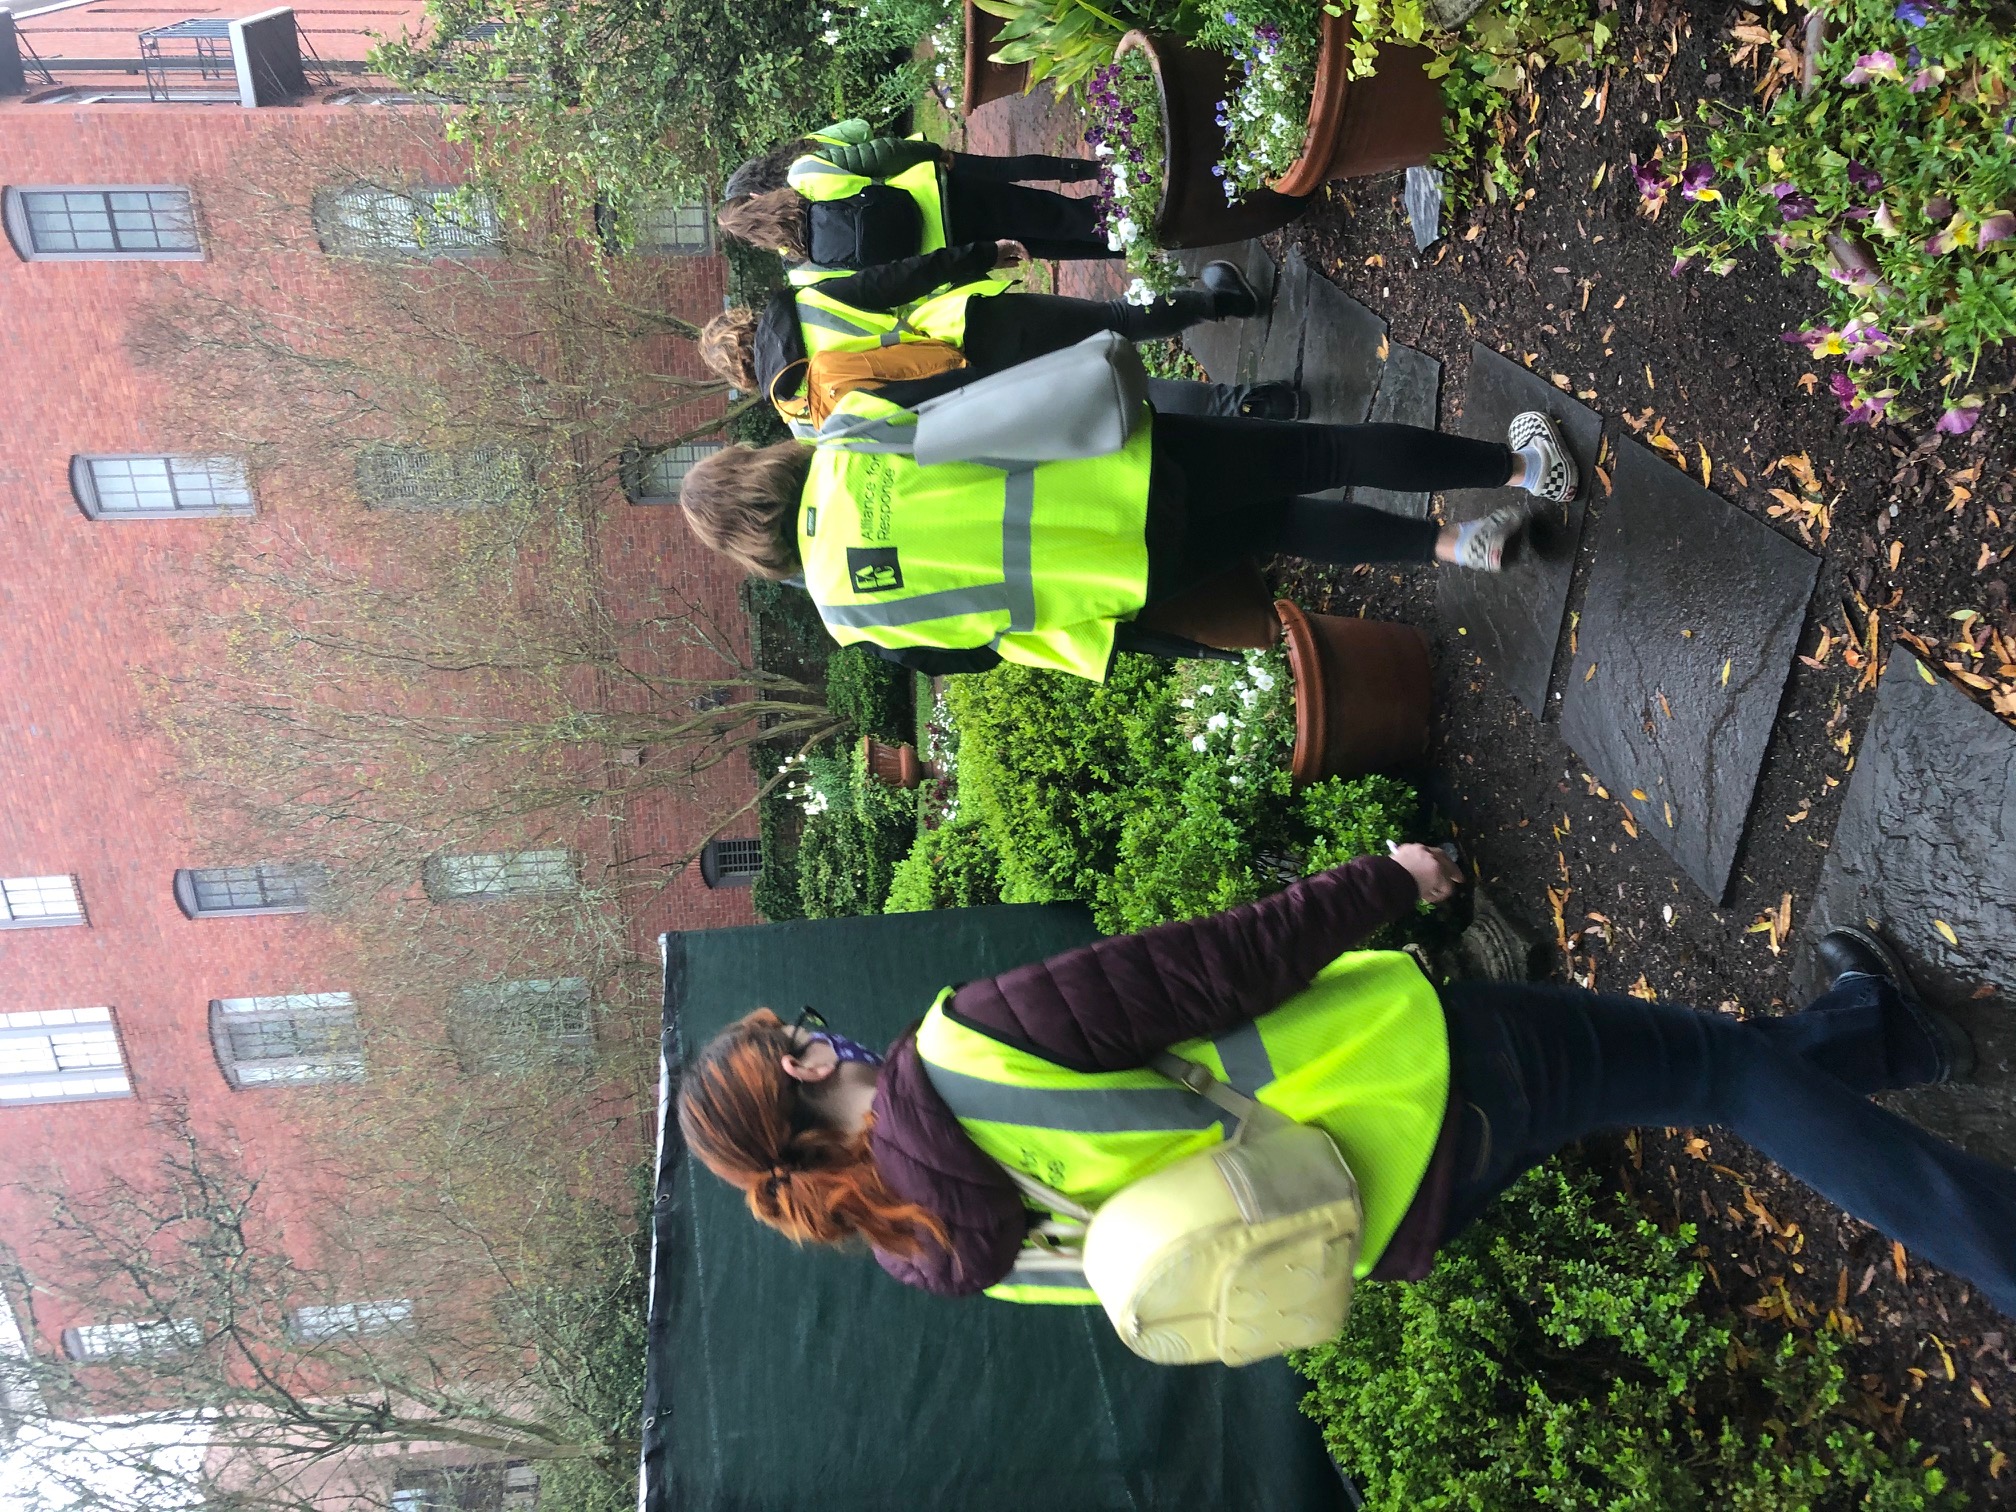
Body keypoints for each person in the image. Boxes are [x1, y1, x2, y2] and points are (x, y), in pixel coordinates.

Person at [676, 851, 2016, 1321]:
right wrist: (1386, 882)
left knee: (1667, 1078)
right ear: (799, 1076)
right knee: (1714, 1071)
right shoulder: (963, 1046)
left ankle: (1875, 1031)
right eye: (795, 1039)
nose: (818, 1035)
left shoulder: (917, 1245)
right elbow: (1206, 971)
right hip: (1417, 1077)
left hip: (1378, 1214)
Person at [673, 390, 1577, 679]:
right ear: (760, 464)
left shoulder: (846, 618)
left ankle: (1457, 549)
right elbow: (974, 398)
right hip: (1125, 466)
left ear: (749, 554)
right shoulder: (849, 432)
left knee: (1286, 527)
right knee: (1318, 451)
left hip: (1123, 568)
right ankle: (1520, 470)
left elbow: (975, 655)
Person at [699, 240, 1302, 428]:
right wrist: (980, 254)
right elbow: (899, 279)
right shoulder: (804, 301)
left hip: (974, 402)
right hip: (974, 329)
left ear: (744, 376)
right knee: (1114, 320)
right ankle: (1223, 301)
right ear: (748, 322)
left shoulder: (802, 420)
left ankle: (1253, 404)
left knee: (1116, 398)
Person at [716, 121, 1116, 279]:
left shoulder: (803, 264)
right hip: (942, 195)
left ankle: (1131, 243)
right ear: (756, 196)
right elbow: (878, 153)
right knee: (1051, 213)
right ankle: (1135, 216)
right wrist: (932, 155)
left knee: (1043, 244)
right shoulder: (805, 172)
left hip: (945, 249)